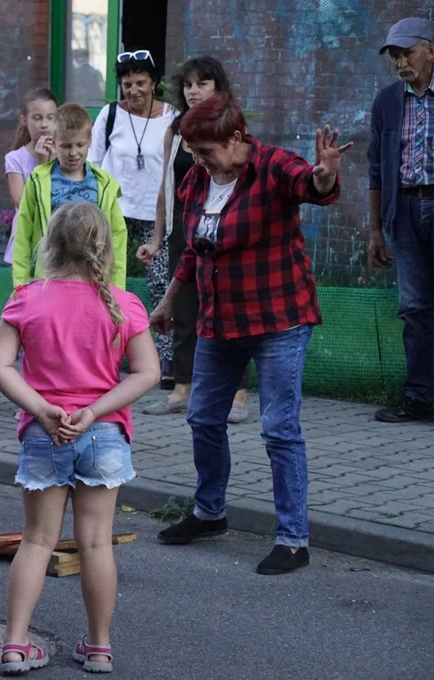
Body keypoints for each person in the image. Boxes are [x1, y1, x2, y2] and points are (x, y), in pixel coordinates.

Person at [150, 95, 351, 575]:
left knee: (279, 428)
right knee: (202, 418)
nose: (199, 161)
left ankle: (293, 539)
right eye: (193, 152)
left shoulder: (273, 165)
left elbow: (312, 186)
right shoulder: (197, 180)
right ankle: (209, 513)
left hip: (279, 320)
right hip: (220, 321)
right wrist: (168, 300)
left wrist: (325, 174)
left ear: (236, 138)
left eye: (206, 151)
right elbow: (194, 249)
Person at [0, 202, 158, 676]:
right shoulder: (124, 304)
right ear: (105, 248)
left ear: (50, 245)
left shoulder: (27, 298)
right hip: (104, 433)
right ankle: (99, 647)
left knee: (37, 540)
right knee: (96, 544)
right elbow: (148, 372)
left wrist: (41, 408)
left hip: (45, 433)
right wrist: (96, 410)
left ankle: (15, 645)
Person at [136, 57, 251, 423]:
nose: (193, 91)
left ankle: (238, 394)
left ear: (218, 88)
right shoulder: (175, 130)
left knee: (228, 308)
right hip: (184, 229)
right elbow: (165, 186)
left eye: (202, 83)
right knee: (183, 310)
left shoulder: (231, 126)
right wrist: (158, 237)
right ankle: (182, 389)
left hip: (224, 229)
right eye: (187, 85)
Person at [89, 50, 176, 383]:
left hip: (156, 215)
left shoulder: (172, 117)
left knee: (161, 285)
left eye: (141, 82)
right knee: (104, 280)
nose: (134, 90)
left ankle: (167, 362)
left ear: (153, 82)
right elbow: (93, 163)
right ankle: (101, 354)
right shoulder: (110, 114)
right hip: (114, 212)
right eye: (127, 84)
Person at [367, 18, 434, 424]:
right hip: (404, 211)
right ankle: (420, 396)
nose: (400, 63)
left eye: (407, 53)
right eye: (395, 56)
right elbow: (376, 169)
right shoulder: (388, 101)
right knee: (414, 307)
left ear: (430, 50)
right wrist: (376, 229)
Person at [12, 103, 127, 289]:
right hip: (49, 281)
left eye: (80, 145)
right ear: (54, 141)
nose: (73, 153)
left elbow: (117, 238)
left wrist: (116, 288)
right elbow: (23, 234)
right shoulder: (38, 180)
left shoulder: (105, 184)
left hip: (93, 281)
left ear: (90, 140)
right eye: (66, 146)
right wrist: (21, 285)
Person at [4, 88, 58, 265]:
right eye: (37, 118)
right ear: (24, 120)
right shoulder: (15, 159)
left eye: (50, 117)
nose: (44, 124)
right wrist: (42, 166)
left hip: (57, 240)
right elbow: (22, 204)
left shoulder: (66, 155)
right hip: (26, 240)